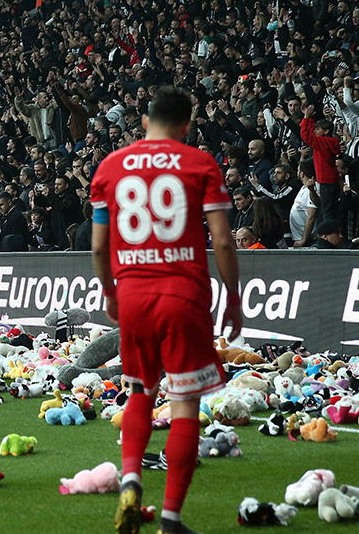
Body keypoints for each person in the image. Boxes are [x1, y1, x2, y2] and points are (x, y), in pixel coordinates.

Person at [89, 86, 241, 534]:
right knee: (184, 405)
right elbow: (225, 241)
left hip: (133, 294)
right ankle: (171, 518)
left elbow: (99, 248)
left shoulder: (110, 167)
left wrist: (111, 292)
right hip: (184, 295)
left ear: (143, 123)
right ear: (187, 126)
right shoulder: (199, 164)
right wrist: (233, 297)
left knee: (139, 391)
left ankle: (131, 478)